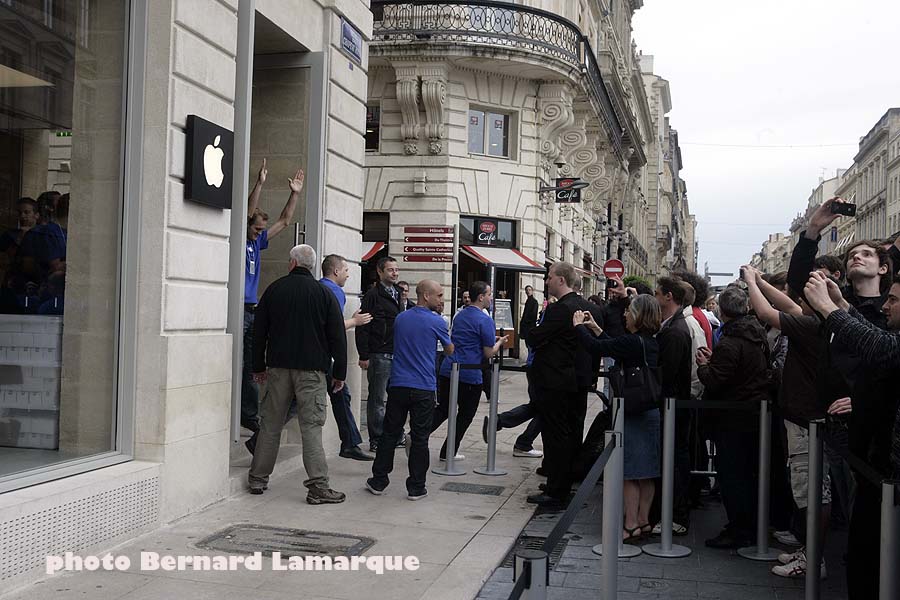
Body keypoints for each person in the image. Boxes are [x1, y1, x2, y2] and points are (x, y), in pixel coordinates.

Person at [743, 265, 846, 579]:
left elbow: (766, 312)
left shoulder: (812, 327)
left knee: (812, 492)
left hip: (806, 420)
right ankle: (808, 549)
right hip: (805, 417)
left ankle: (813, 559)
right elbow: (786, 306)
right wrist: (760, 280)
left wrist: (750, 283)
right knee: (810, 489)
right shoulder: (818, 321)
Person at [803, 271, 900, 598]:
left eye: (894, 300)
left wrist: (828, 310)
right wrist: (842, 305)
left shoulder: (891, 344)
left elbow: (881, 348)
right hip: (880, 471)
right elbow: (877, 337)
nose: (886, 305)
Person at [248, 245, 347, 504]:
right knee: (311, 429)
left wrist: (257, 366)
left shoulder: (274, 290)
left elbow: (259, 333)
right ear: (311, 266)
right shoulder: (324, 294)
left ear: (292, 263)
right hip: (313, 372)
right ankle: (318, 486)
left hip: (278, 369)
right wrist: (340, 373)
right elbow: (338, 337)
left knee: (270, 425)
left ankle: (258, 478)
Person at [573, 295, 661, 540]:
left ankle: (630, 523)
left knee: (630, 472)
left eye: (629, 311)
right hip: (650, 409)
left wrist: (579, 327)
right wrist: (596, 328)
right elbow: (616, 345)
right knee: (646, 472)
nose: (624, 315)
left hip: (632, 410)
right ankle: (643, 520)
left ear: (638, 315)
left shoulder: (633, 342)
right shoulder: (649, 341)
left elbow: (598, 348)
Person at [696, 286, 770, 549]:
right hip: (750, 413)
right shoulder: (755, 334)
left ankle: (739, 529)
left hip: (733, 417)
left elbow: (716, 381)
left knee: (733, 476)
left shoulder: (731, 340)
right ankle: (746, 525)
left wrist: (705, 366)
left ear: (722, 310)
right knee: (745, 475)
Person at [366, 280, 453, 500]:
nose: (442, 300)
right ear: (426, 296)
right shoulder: (437, 322)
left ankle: (378, 481)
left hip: (398, 384)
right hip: (423, 386)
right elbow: (450, 350)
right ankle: (416, 487)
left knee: (389, 434)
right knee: (420, 438)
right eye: (439, 296)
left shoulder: (401, 318)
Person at [241, 160, 304, 434]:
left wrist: (295, 194)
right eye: (255, 229)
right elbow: (247, 212)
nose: (258, 233)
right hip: (236, 308)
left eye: (260, 230)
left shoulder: (256, 242)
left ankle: (249, 414)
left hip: (251, 308)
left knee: (253, 363)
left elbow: (285, 221)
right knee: (243, 362)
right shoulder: (241, 236)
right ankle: (247, 412)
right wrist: (260, 183)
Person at [523, 262, 587, 507]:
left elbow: (535, 336)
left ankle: (557, 490)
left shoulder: (561, 309)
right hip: (566, 378)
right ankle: (557, 484)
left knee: (556, 436)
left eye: (549, 277)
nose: (546, 281)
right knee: (561, 434)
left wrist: (531, 327)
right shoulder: (578, 305)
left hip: (554, 379)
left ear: (561, 280)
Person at [432, 282, 507, 461]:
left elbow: (467, 338)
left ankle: (417, 435)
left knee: (443, 409)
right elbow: (488, 352)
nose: (491, 297)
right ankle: (449, 451)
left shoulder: (460, 315)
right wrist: (500, 343)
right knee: (466, 414)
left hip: (449, 368)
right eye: (489, 294)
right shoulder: (485, 319)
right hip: (469, 372)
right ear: (481, 297)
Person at [319, 254, 374, 461]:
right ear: (336, 271)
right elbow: (332, 328)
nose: (348, 275)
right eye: (346, 271)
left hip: (314, 356)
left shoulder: (320, 287)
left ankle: (350, 442)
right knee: (340, 394)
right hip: (324, 357)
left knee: (341, 397)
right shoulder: (334, 291)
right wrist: (354, 321)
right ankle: (350, 443)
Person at [650, 277, 694, 536]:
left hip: (672, 407)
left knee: (675, 461)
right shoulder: (671, 326)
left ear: (668, 297)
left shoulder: (675, 331)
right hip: (671, 406)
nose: (655, 298)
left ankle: (676, 515)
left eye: (657, 294)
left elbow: (666, 375)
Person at [356, 256, 407, 452]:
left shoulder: (399, 293)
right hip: (379, 354)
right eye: (390, 270)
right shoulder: (372, 295)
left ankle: (394, 434)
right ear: (380, 272)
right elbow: (363, 326)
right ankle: (376, 438)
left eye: (396, 269)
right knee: (377, 399)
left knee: (396, 398)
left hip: (398, 353)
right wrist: (364, 354)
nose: (394, 273)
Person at [520, 285, 539, 350]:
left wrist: (526, 322)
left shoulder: (534, 302)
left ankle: (530, 359)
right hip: (526, 327)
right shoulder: (527, 301)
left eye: (529, 290)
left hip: (530, 327)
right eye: (527, 290)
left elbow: (533, 315)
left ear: (532, 291)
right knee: (527, 345)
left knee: (530, 345)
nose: (528, 291)